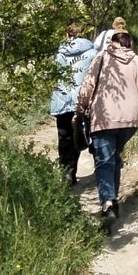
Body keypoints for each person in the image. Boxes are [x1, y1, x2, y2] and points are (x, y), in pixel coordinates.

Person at [75, 17, 138, 228]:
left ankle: (108, 203)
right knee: (112, 157)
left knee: (104, 160)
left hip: (104, 118)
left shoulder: (101, 59)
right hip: (129, 122)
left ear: (112, 42)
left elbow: (87, 85)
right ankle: (113, 200)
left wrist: (80, 108)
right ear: (129, 42)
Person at [49, 23, 97, 185]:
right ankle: (98, 167)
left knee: (64, 137)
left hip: (62, 100)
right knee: (80, 134)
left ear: (67, 34)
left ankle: (67, 174)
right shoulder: (92, 52)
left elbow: (52, 74)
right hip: (83, 100)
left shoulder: (59, 53)